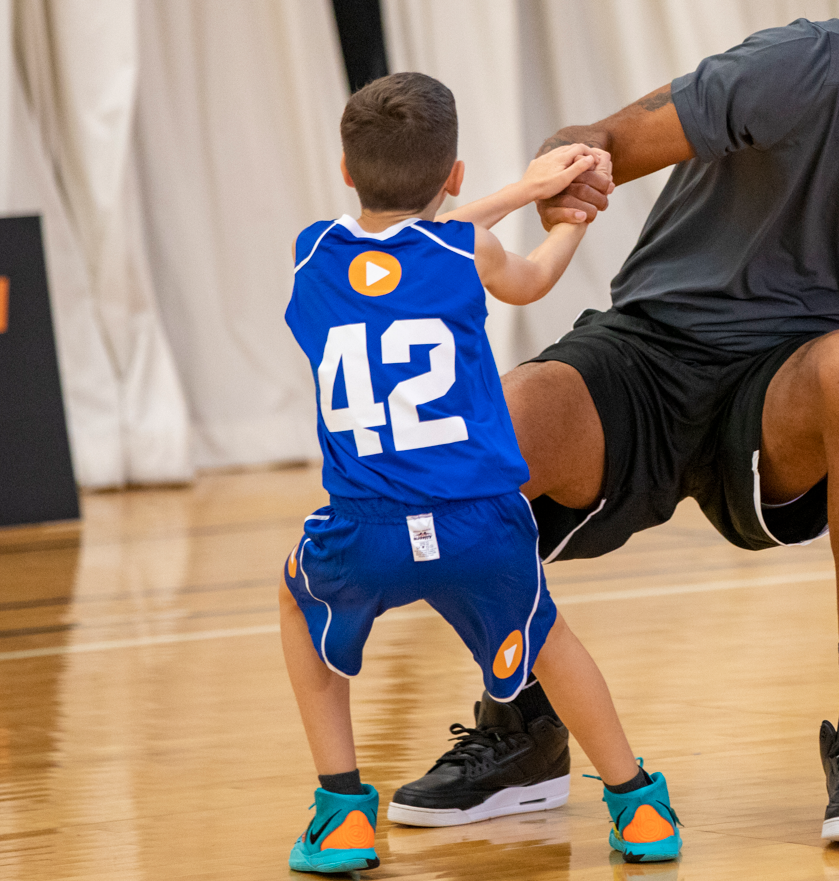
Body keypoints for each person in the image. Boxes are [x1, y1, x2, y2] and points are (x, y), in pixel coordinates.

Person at [390, 18, 839, 847]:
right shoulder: (819, 66)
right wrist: (570, 169)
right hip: (648, 351)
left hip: (781, 406)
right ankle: (520, 724)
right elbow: (607, 141)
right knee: (498, 425)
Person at [278, 72, 682, 874]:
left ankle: (340, 811)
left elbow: (405, 242)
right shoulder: (468, 246)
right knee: (548, 640)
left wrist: (513, 189)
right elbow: (526, 276)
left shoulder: (312, 254)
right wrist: (565, 216)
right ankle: (635, 804)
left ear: (346, 170)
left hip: (367, 527)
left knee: (299, 599)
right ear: (454, 173)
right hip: (480, 521)